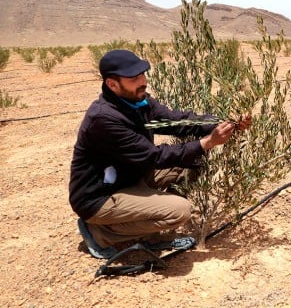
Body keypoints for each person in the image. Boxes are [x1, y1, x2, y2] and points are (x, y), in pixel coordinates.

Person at [69, 49, 252, 259]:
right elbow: (154, 156)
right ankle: (100, 232)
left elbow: (178, 121)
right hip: (99, 197)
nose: (142, 81)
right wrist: (208, 142)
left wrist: (226, 123)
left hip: (131, 177)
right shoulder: (103, 119)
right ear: (112, 84)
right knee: (180, 211)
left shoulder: (139, 101)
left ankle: (148, 225)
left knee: (194, 160)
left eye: (142, 74)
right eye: (133, 78)